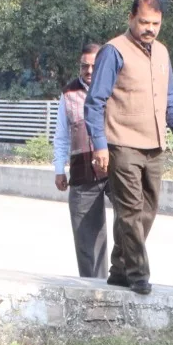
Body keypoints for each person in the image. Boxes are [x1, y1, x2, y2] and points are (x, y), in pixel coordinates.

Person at [83, 0, 173, 295]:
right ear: (131, 18)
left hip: (155, 144)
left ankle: (119, 268)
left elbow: (170, 98)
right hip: (122, 143)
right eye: (144, 22)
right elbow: (95, 102)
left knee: (148, 210)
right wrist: (100, 145)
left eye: (155, 23)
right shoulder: (114, 51)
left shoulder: (162, 53)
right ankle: (138, 273)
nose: (150, 28)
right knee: (130, 210)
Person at [53, 43, 108, 279]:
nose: (89, 70)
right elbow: (62, 135)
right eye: (84, 65)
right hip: (82, 171)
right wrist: (59, 169)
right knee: (86, 236)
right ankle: (93, 289)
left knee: (128, 227)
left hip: (115, 170)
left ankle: (119, 283)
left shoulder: (114, 88)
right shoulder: (69, 94)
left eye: (94, 65)